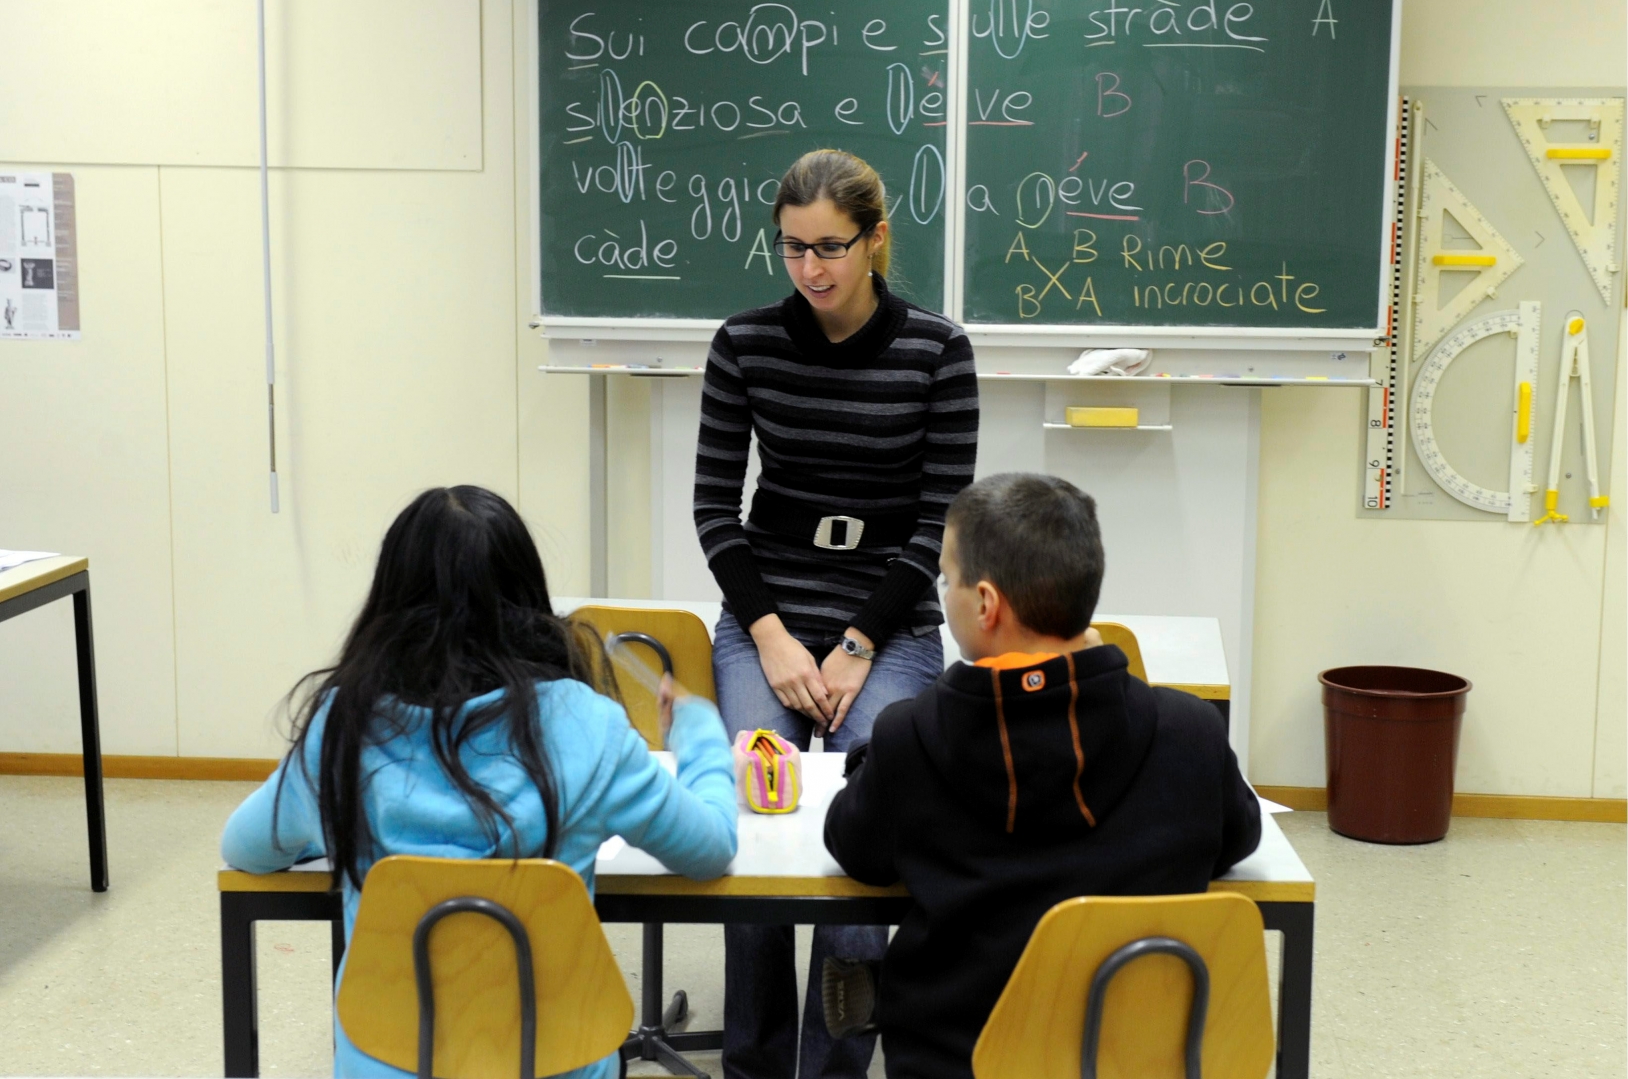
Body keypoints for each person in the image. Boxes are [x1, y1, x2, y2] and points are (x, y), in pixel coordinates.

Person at [221, 486, 737, 1079]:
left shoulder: (344, 725)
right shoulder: (585, 724)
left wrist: (335, 823)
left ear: (389, 602)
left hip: (388, 1063)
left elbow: (244, 847)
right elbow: (710, 848)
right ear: (528, 598)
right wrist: (697, 730)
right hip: (555, 1065)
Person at [692, 148, 979, 1079]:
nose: (811, 269)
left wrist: (858, 641)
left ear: (876, 239)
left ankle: (835, 1067)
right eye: (792, 249)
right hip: (767, 608)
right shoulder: (745, 345)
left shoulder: (938, 350)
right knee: (754, 826)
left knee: (869, 824)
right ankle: (756, 1064)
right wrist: (771, 636)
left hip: (888, 618)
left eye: (831, 248)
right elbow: (713, 511)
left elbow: (941, 519)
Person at [824, 473, 1261, 1079]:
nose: (943, 591)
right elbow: (1239, 840)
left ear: (984, 603)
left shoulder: (910, 738)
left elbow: (856, 850)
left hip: (959, 1062)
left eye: (945, 578)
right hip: (1144, 1062)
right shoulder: (1190, 731)